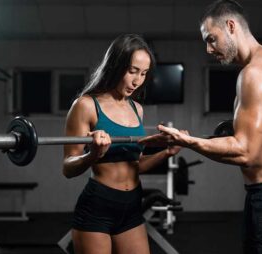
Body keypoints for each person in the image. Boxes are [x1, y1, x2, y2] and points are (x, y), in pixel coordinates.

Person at [139, 1, 262, 253]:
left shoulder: (256, 73)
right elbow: (254, 141)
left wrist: (188, 142)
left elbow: (244, 151)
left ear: (231, 26)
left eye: (211, 39)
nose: (208, 49)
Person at [62, 34, 181, 254]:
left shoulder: (137, 109)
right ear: (115, 66)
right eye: (132, 71)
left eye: (144, 73)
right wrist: (93, 155)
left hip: (132, 206)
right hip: (98, 206)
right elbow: (68, 167)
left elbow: (135, 165)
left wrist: (167, 152)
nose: (137, 81)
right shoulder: (86, 105)